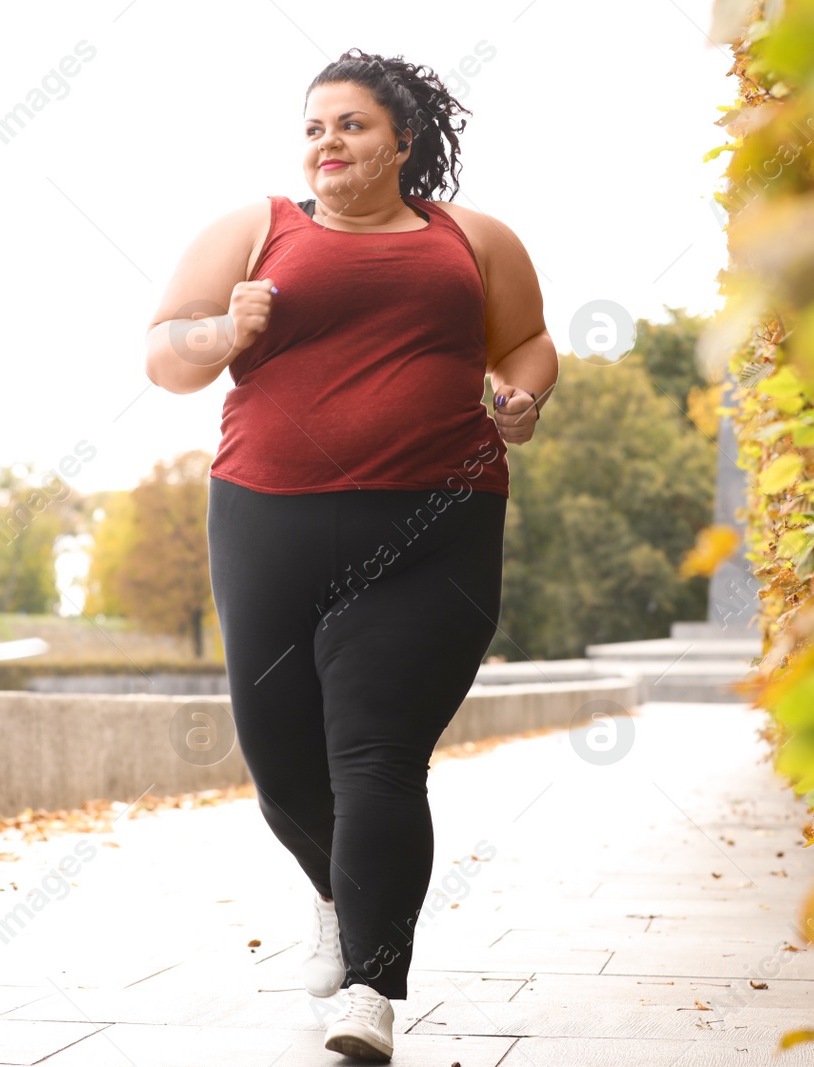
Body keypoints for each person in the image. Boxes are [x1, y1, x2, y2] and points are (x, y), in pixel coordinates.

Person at [145, 47, 557, 1062]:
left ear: (403, 139)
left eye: (353, 125)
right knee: (281, 763)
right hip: (267, 514)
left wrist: (522, 399)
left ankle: (370, 984)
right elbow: (163, 358)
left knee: (376, 756)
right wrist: (219, 331)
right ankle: (337, 895)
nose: (329, 143)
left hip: (436, 524)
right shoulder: (256, 229)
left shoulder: (477, 238)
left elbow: (531, 342)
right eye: (315, 128)